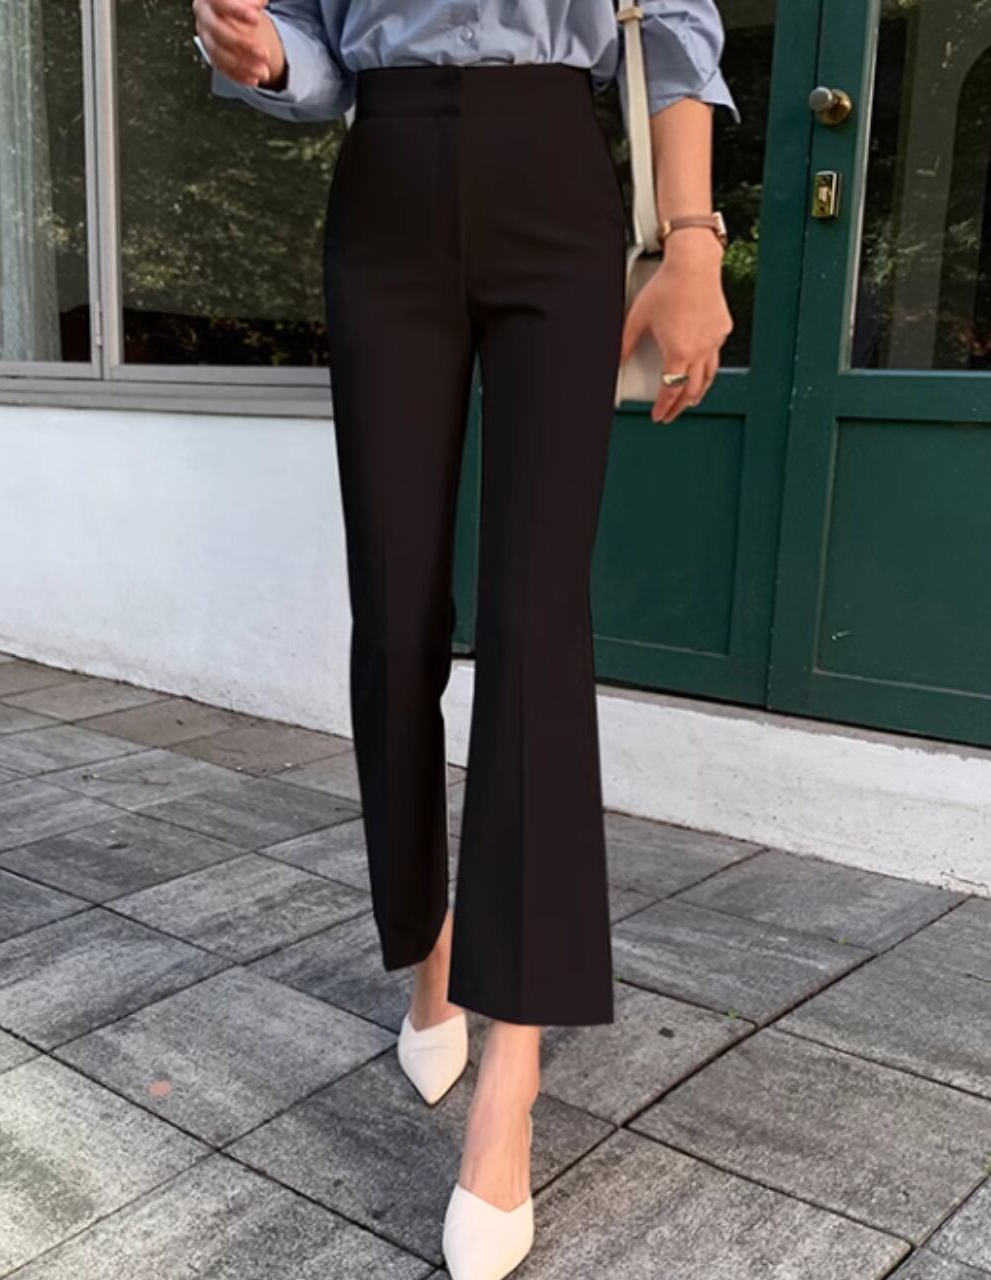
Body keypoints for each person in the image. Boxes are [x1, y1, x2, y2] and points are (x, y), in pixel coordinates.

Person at [192, 2, 734, 1275]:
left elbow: (673, 25)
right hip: (385, 180)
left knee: (535, 624)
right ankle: (426, 948)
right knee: (393, 615)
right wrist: (267, 57)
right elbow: (318, 49)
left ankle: (512, 1069)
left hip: (552, 169)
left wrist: (693, 239)